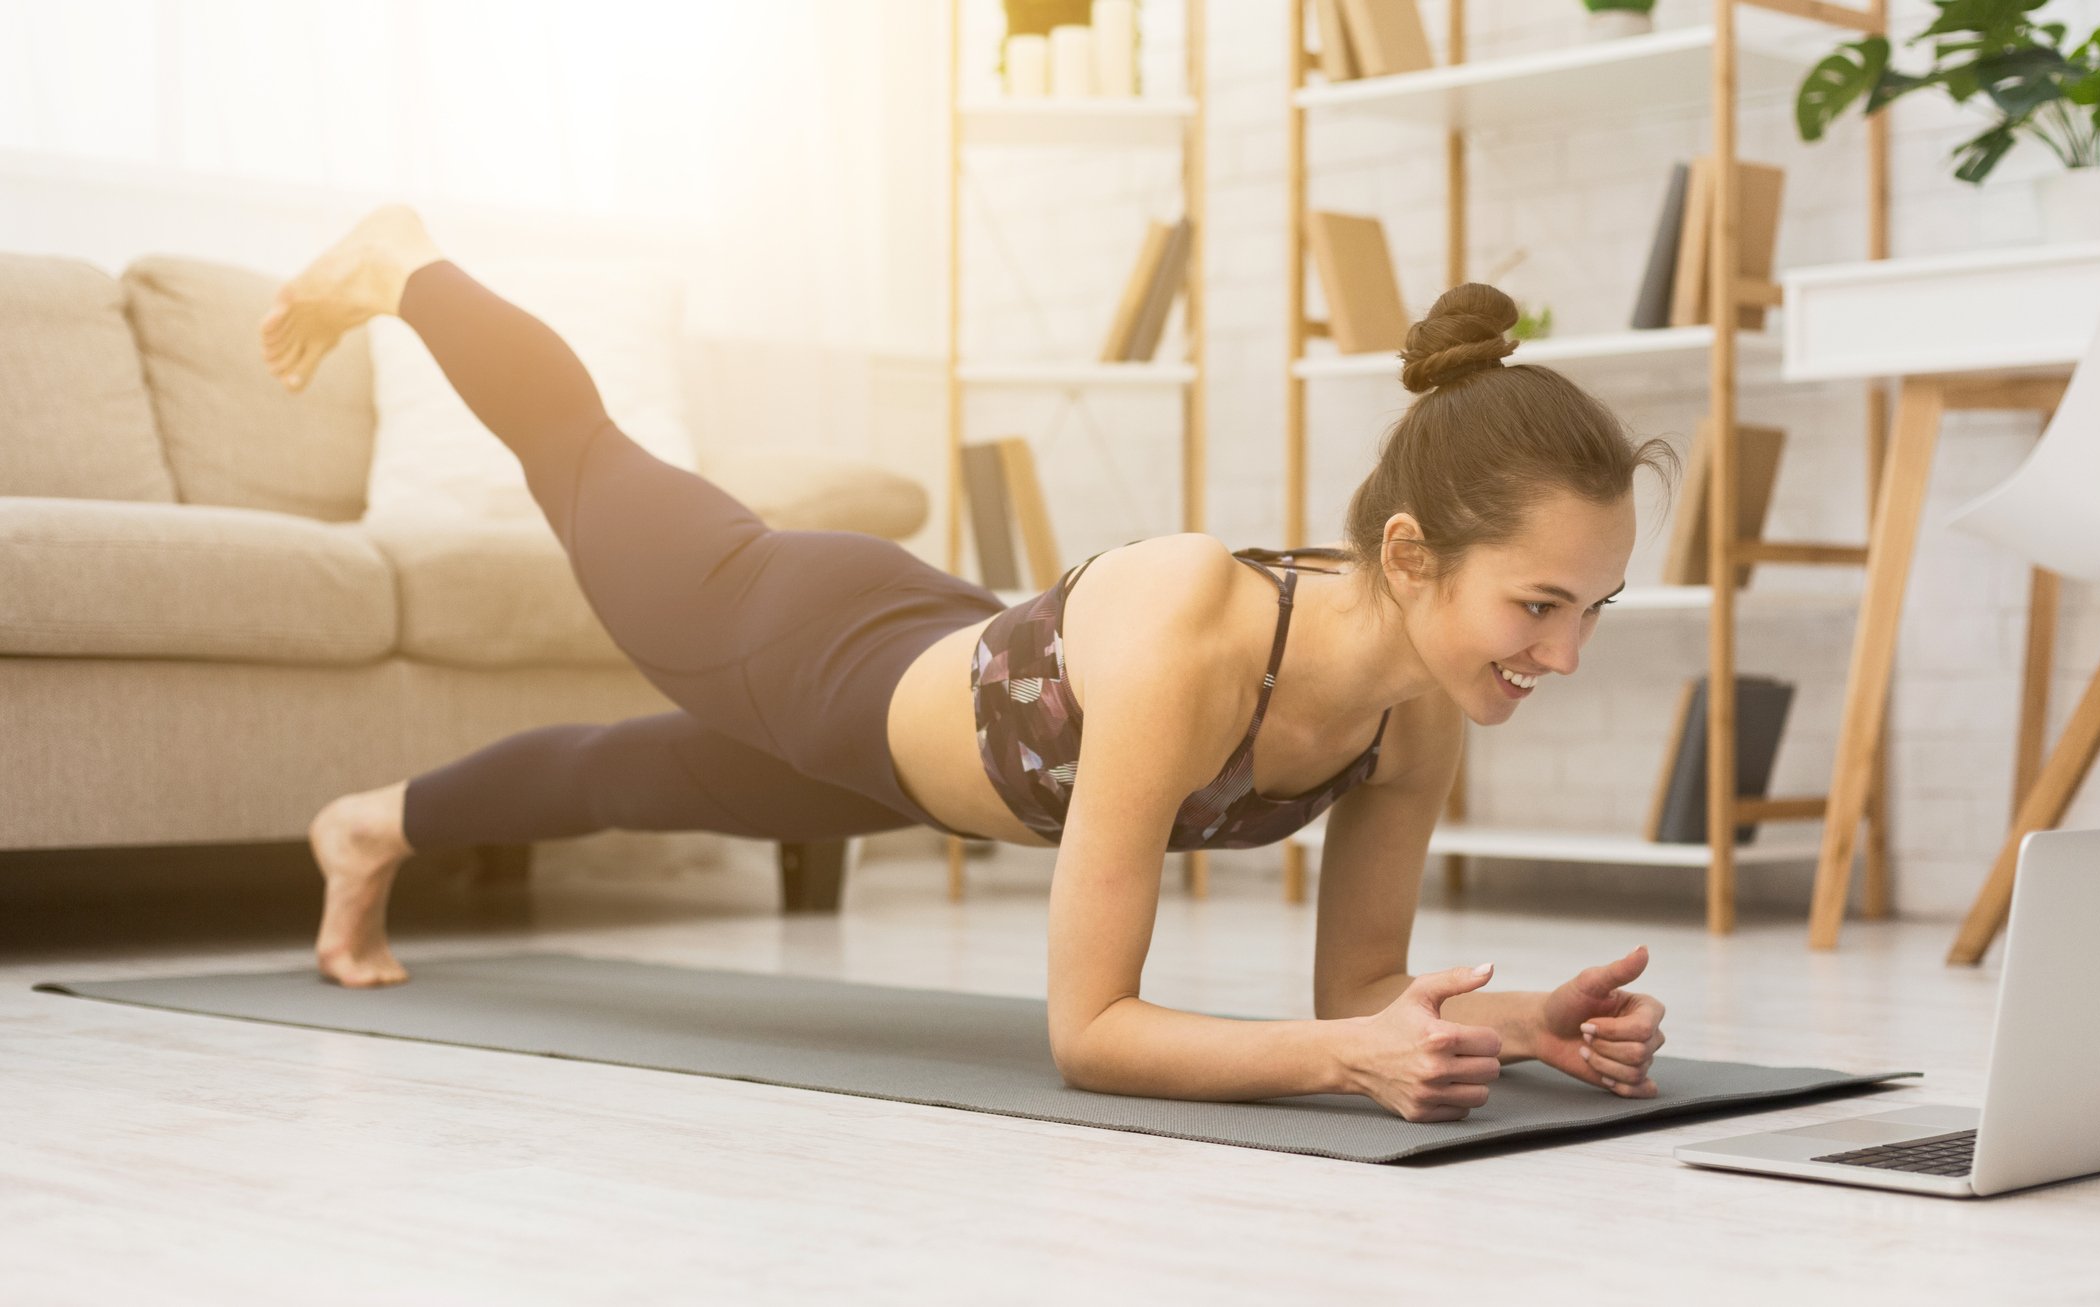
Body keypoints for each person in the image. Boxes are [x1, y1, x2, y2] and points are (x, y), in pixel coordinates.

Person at [261, 206, 1675, 1124]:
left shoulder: (1415, 714)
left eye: (1595, 609)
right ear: (1417, 557)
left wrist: (1519, 1026)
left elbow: (1361, 990)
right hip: (805, 639)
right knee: (586, 459)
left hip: (911, 721)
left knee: (627, 775)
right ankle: (407, 265)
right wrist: (1337, 1064)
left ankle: (367, 824)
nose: (1565, 652)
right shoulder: (1204, 627)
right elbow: (1091, 1031)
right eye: (1540, 604)